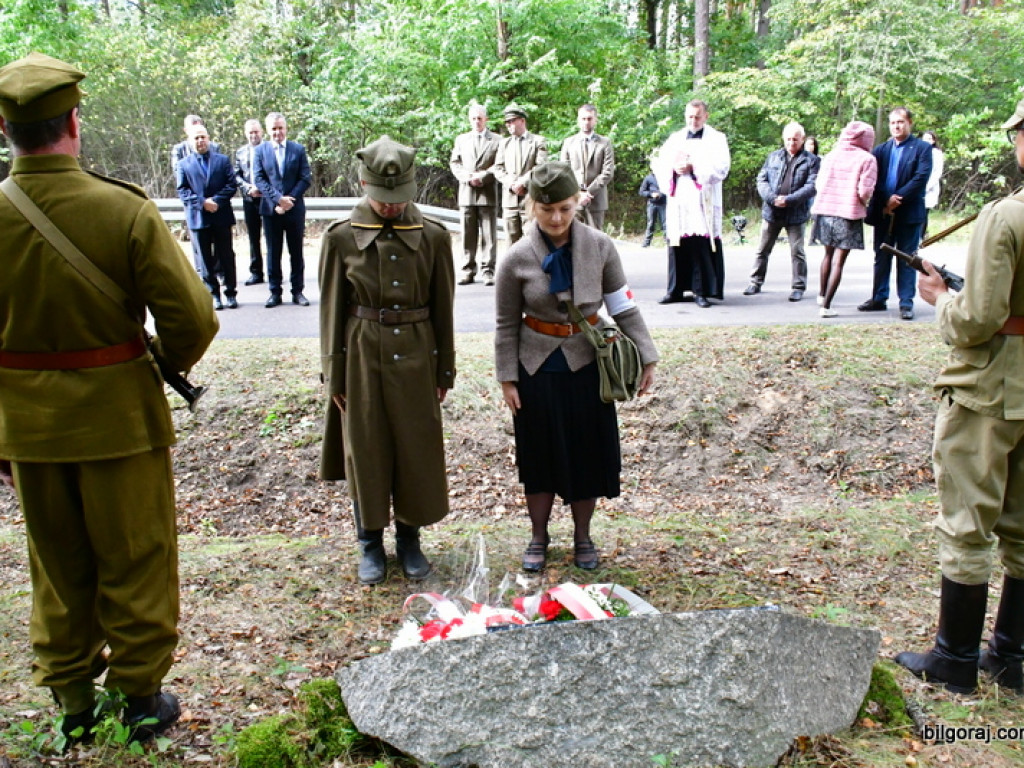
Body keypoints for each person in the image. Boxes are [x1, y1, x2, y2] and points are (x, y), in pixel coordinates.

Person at [0, 52, 218, 745]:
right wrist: (158, 365)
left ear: (5, 131)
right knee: (136, 555)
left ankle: (72, 703)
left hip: (27, 429)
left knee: (55, 565)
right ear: (73, 122)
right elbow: (193, 319)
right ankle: (140, 697)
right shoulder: (121, 208)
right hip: (120, 421)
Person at [894, 100, 1024, 695]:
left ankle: (955, 659)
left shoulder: (1005, 216)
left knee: (968, 522)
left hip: (989, 390)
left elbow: (977, 320)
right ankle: (1012, 655)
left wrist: (941, 299)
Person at [494, 162, 658, 572]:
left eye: (565, 209)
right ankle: (538, 536)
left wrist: (647, 355)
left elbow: (622, 306)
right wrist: (507, 378)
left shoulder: (600, 247)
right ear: (532, 207)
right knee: (539, 455)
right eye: (547, 209)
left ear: (577, 204)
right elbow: (505, 324)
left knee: (587, 452)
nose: (556, 218)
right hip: (536, 368)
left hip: (589, 362)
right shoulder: (515, 258)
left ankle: (583, 536)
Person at [318, 136, 456, 585]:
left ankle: (410, 540)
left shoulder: (433, 236)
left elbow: (443, 307)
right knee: (367, 449)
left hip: (417, 354)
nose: (392, 206)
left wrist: (444, 368)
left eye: (399, 198)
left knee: (414, 448)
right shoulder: (340, 237)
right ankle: (370, 542)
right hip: (361, 355)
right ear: (363, 185)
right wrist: (335, 375)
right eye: (382, 198)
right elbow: (331, 311)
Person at [652, 99, 731, 308]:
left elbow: (722, 168)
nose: (693, 120)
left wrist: (693, 167)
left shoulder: (717, 139)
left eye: (697, 117)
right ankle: (675, 289)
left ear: (706, 116)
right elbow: (661, 164)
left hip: (702, 200)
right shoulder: (675, 138)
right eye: (689, 116)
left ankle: (700, 291)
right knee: (677, 243)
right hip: (679, 199)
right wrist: (673, 169)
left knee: (699, 244)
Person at [859, 107, 932, 321]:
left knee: (907, 258)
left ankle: (906, 303)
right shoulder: (880, 150)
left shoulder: (922, 149)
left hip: (909, 212)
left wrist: (898, 198)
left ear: (909, 123)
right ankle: (878, 298)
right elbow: (874, 178)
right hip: (884, 212)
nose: (896, 126)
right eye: (893, 123)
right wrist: (886, 200)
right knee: (881, 256)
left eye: (900, 122)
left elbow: (920, 178)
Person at [743, 122, 820, 301]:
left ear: (802, 139)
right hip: (772, 212)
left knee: (797, 252)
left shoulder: (812, 161)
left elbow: (812, 186)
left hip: (796, 213)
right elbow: (761, 180)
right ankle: (755, 282)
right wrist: (772, 198)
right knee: (762, 249)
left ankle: (798, 287)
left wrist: (789, 200)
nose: (791, 143)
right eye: (788, 139)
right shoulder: (773, 157)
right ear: (783, 139)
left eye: (795, 139)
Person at [810, 121, 877, 317]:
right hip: (848, 214)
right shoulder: (867, 159)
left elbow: (819, 183)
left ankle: (821, 295)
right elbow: (865, 191)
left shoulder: (831, 155)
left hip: (825, 211)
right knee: (838, 262)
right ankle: (826, 307)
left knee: (827, 255)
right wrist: (863, 203)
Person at [254, 111, 312, 308]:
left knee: (296, 252)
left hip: (294, 209)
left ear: (286, 128)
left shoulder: (298, 149)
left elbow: (305, 178)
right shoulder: (260, 151)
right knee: (273, 252)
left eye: (280, 128)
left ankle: (298, 291)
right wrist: (278, 199)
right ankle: (275, 292)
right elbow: (259, 179)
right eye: (274, 129)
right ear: (268, 130)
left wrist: (289, 200)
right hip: (271, 211)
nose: (277, 132)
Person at [177, 125, 239, 310]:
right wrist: (203, 202)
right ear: (190, 141)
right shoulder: (184, 164)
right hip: (198, 218)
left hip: (221, 216)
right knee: (205, 260)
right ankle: (213, 295)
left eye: (203, 137)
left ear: (208, 138)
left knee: (226, 256)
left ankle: (230, 293)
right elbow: (183, 191)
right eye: (196, 138)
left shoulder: (222, 160)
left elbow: (231, 185)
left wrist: (216, 201)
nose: (200, 141)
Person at [450, 104, 500, 285]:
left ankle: (488, 271)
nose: (477, 121)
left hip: (487, 193)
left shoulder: (497, 140)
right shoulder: (461, 140)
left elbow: (500, 164)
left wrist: (483, 176)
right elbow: (455, 163)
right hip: (467, 192)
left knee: (489, 235)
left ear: (486, 119)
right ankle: (467, 270)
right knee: (467, 233)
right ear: (469, 120)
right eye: (473, 118)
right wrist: (467, 177)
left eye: (480, 118)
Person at [492, 103, 548, 245]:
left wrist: (523, 182)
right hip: (510, 200)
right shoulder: (504, 144)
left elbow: (541, 167)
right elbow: (498, 168)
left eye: (512, 121)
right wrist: (511, 184)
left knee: (533, 240)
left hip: (529, 199)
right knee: (511, 242)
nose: (508, 125)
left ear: (522, 121)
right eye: (507, 122)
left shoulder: (537, 141)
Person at [559, 104, 614, 230]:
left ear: (595, 120)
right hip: (573, 200)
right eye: (583, 119)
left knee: (595, 238)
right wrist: (578, 193)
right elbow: (564, 172)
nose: (586, 122)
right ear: (578, 120)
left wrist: (588, 192)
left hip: (596, 201)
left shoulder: (605, 143)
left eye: (589, 118)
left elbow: (608, 172)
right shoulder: (568, 142)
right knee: (572, 237)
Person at [235, 118, 267, 285]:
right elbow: (236, 175)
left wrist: (263, 189)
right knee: (254, 238)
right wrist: (248, 188)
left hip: (268, 199)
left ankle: (274, 271)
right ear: (245, 134)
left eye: (256, 132)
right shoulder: (240, 152)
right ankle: (256, 272)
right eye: (250, 132)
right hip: (249, 200)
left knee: (272, 238)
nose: (254, 135)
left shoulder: (269, 149)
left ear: (262, 132)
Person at [922, 130, 944, 240]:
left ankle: (922, 236)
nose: (927, 141)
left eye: (929, 139)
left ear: (933, 140)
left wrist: (927, 187)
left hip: (929, 188)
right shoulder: (919, 151)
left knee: (924, 212)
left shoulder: (936, 154)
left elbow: (937, 172)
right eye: (925, 139)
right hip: (918, 187)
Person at [637, 167, 666, 248]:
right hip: (652, 204)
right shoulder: (648, 178)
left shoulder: (665, 177)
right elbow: (641, 191)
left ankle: (667, 242)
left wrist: (661, 194)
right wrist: (651, 194)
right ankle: (646, 243)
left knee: (665, 224)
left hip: (663, 203)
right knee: (650, 223)